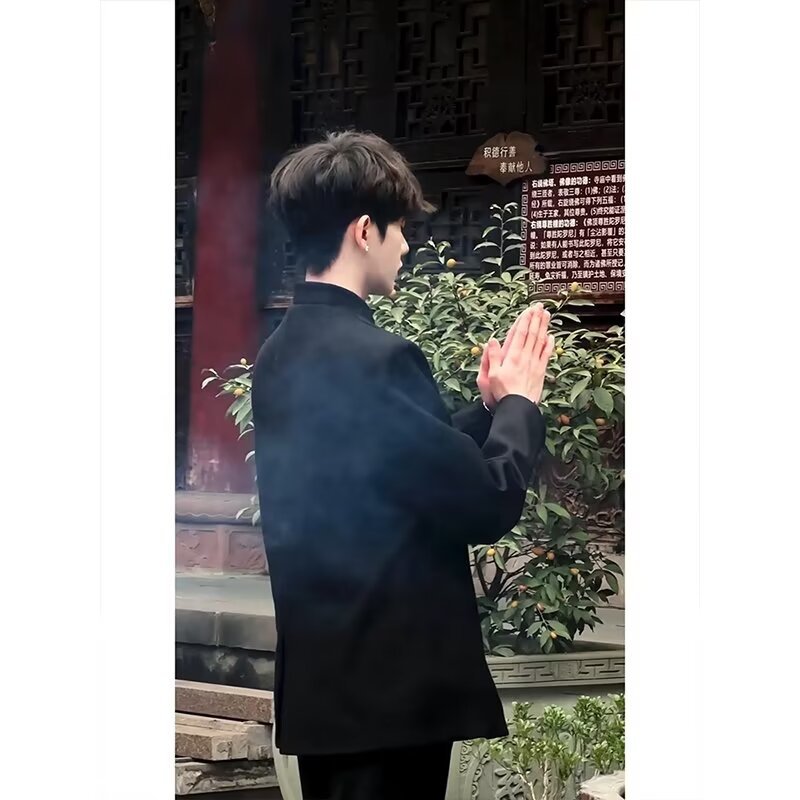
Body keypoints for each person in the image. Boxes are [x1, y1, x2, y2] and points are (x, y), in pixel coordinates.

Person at [252, 130, 554, 800]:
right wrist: (522, 404)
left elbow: (390, 465)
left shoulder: (281, 354)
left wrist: (489, 409)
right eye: (400, 229)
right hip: (391, 700)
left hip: (330, 688)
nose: (408, 246)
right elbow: (486, 500)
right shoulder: (377, 357)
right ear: (364, 231)